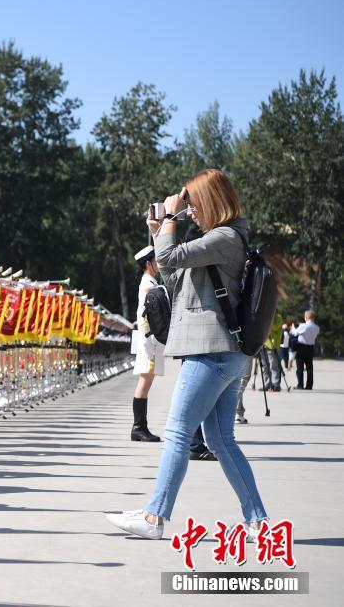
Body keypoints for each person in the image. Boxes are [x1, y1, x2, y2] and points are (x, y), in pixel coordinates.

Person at [106, 169, 268, 539]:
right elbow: (172, 275)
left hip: (210, 351)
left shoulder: (225, 237)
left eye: (193, 204)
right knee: (221, 440)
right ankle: (258, 521)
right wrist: (158, 228)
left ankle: (154, 519)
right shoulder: (222, 239)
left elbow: (170, 255)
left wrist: (168, 219)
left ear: (211, 201)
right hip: (224, 353)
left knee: (178, 432)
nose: (190, 211)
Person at [129, 245, 162, 442]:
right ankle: (138, 427)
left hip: (147, 337)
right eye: (156, 260)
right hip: (148, 338)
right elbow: (151, 315)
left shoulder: (149, 281)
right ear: (149, 264)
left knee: (146, 380)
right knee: (145, 381)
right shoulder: (148, 284)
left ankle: (140, 427)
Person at [292, 311, 319, 389]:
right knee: (309, 367)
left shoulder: (304, 326)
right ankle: (309, 385)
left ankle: (300, 385)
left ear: (306, 317)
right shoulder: (317, 327)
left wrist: (294, 326)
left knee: (300, 367)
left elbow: (294, 333)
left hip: (301, 347)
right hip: (311, 347)